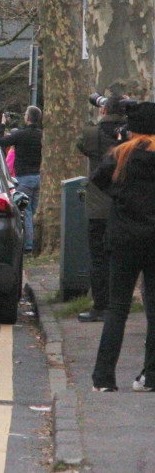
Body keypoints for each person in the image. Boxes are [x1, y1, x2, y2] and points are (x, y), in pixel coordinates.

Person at [89, 102, 155, 392]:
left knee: (117, 308)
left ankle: (104, 378)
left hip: (124, 237)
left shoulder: (120, 155)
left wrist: (121, 196)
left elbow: (99, 180)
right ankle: (150, 377)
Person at [76, 95, 128, 322]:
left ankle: (101, 307)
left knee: (99, 259)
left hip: (98, 206)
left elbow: (81, 146)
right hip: (125, 207)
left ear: (104, 110)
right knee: (122, 260)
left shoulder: (91, 134)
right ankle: (119, 306)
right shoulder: (132, 135)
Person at [0, 106, 43, 254]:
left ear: (28, 118)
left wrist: (3, 124)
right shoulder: (42, 135)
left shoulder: (22, 135)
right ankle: (38, 243)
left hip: (24, 177)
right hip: (40, 176)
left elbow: (0, 141)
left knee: (26, 211)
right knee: (36, 210)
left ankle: (29, 244)